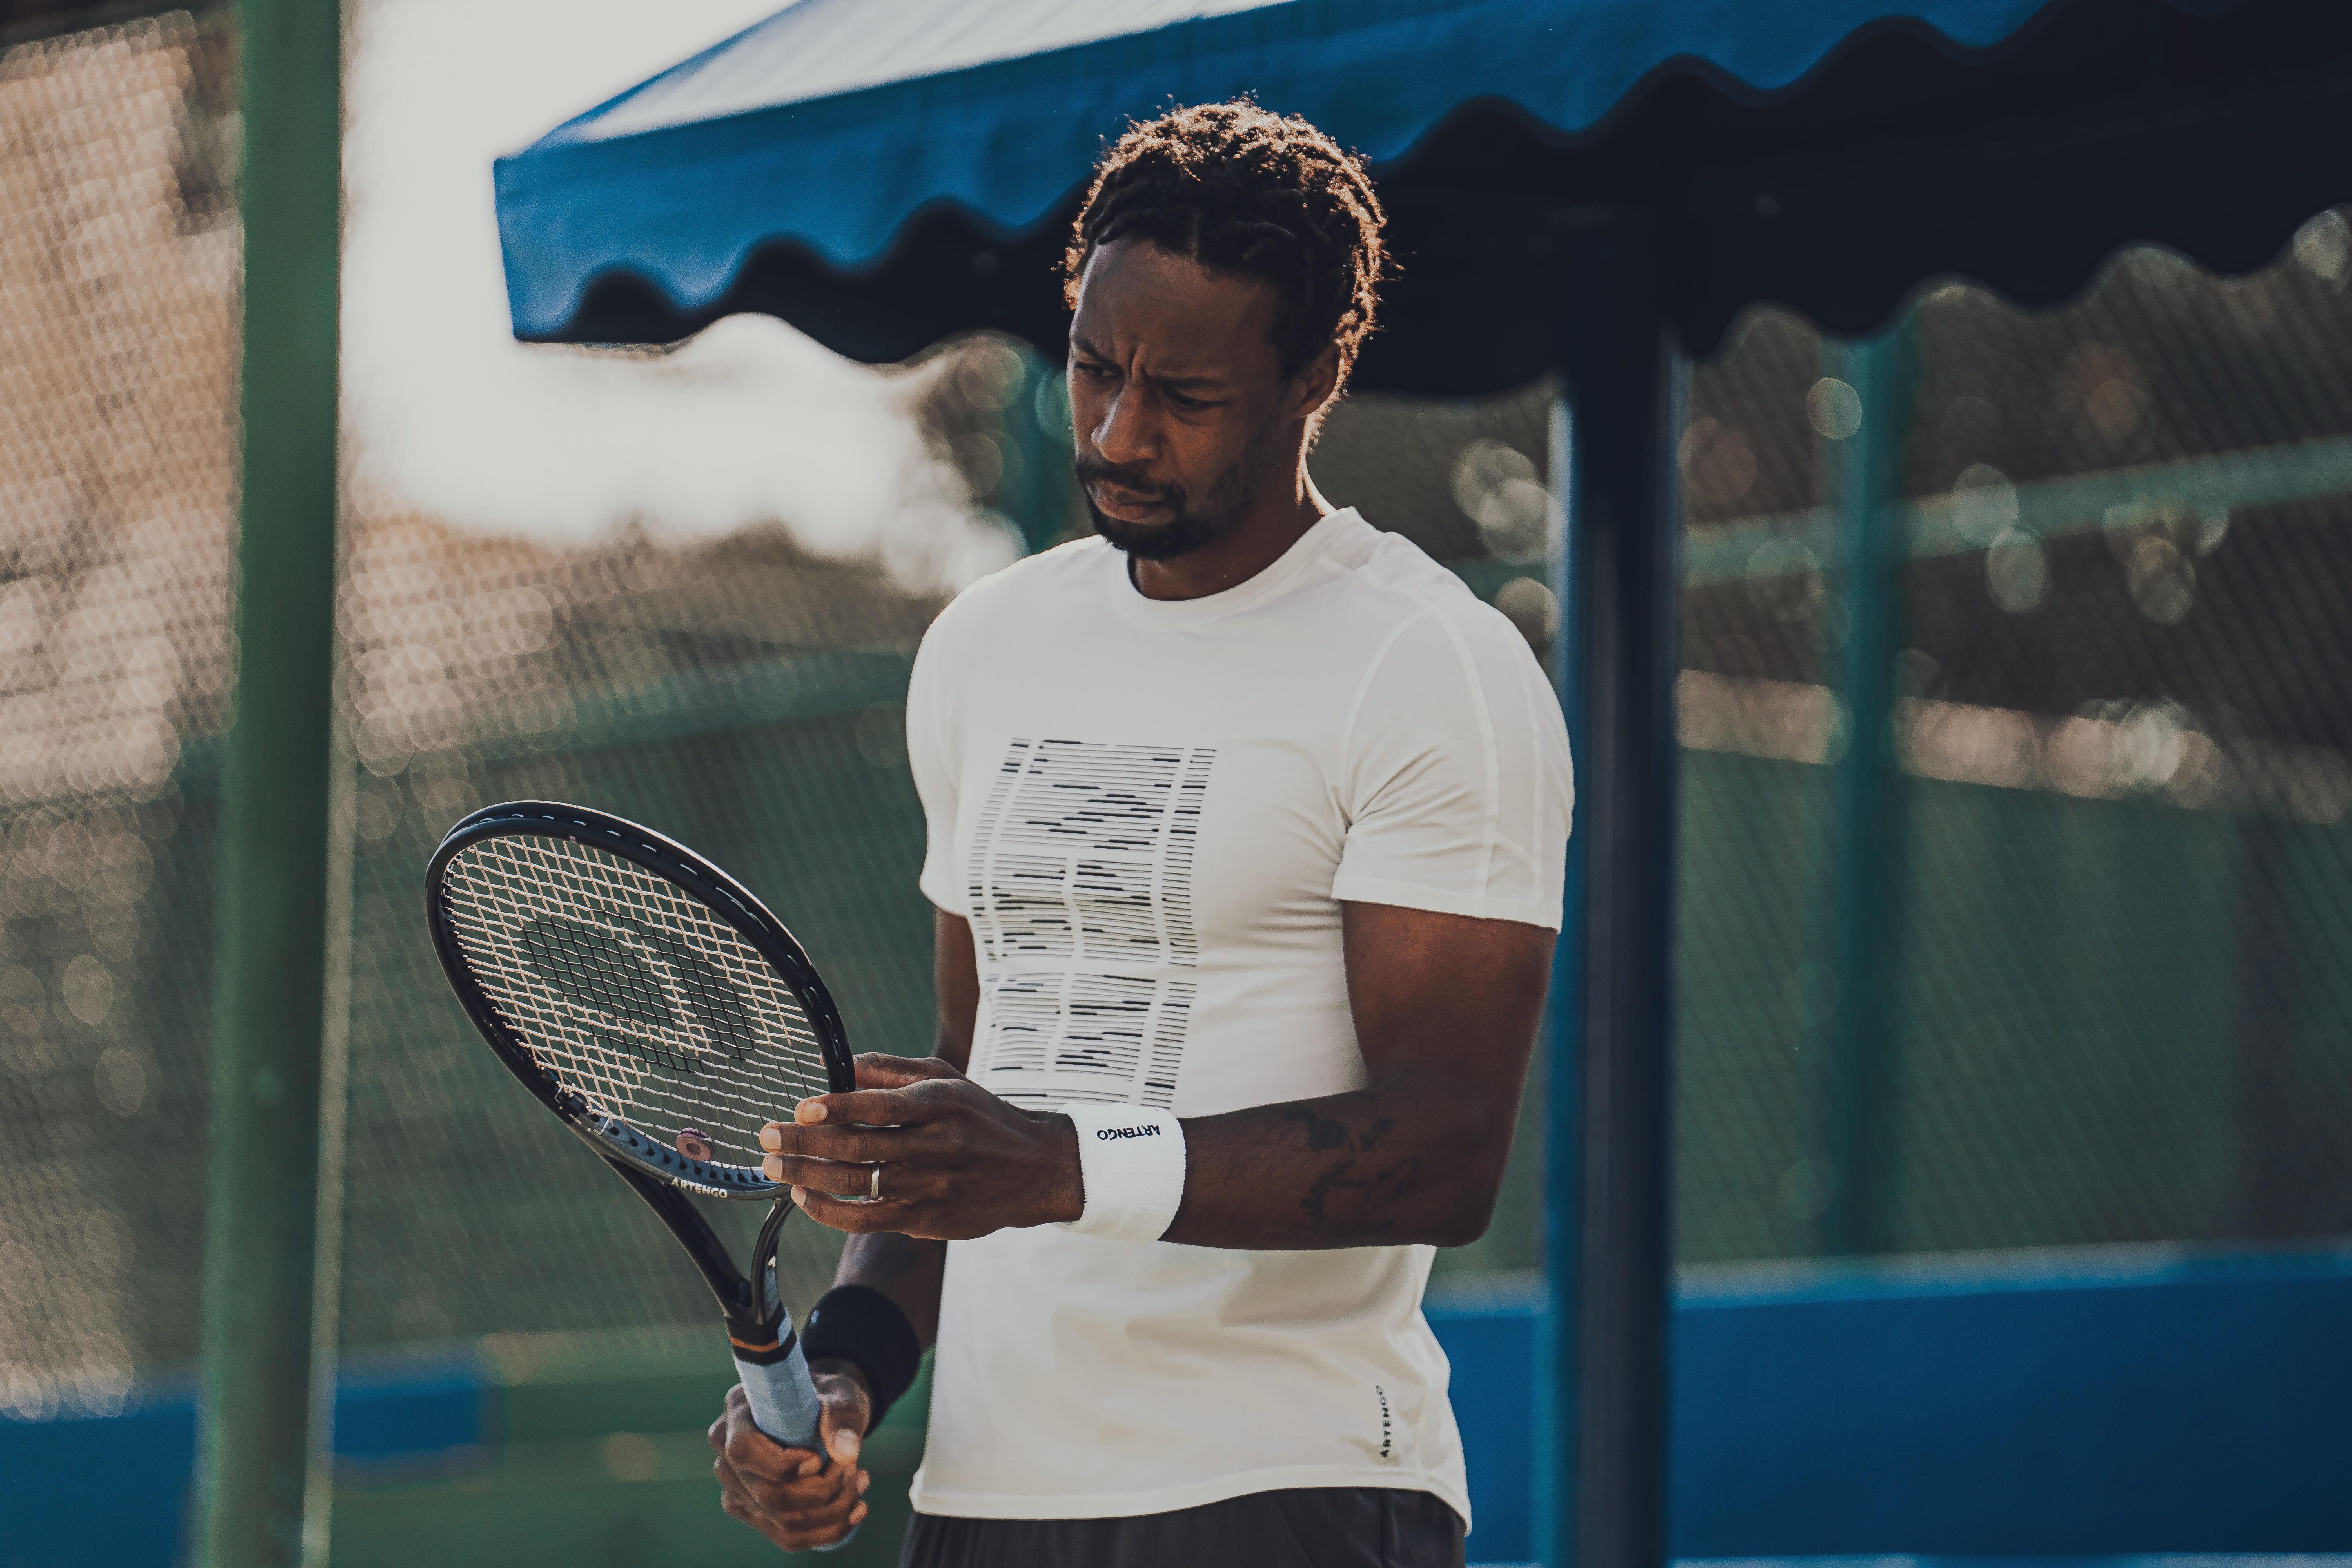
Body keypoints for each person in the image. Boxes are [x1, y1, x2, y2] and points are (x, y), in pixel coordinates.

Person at [707, 99, 1572, 1568]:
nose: (1118, 431)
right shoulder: (988, 646)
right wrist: (850, 1369)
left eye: (1184, 394)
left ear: (1313, 378)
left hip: (1285, 1489)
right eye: (1096, 371)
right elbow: (975, 1107)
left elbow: (1446, 1148)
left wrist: (1059, 1165)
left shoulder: (1429, 663)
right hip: (987, 1497)